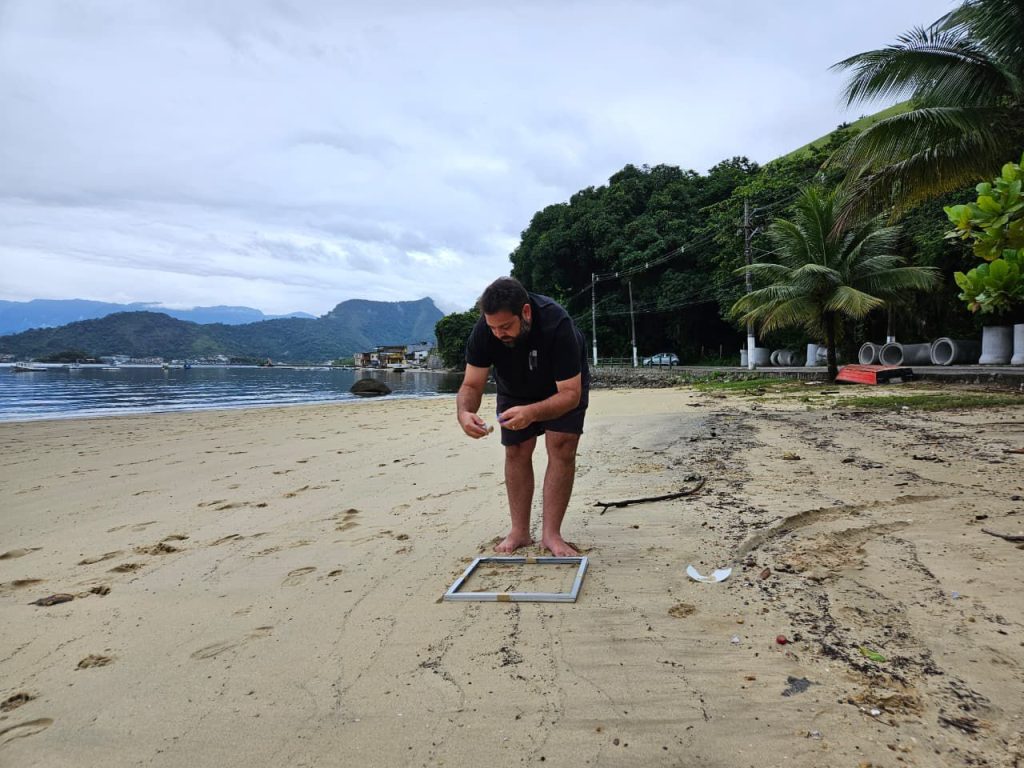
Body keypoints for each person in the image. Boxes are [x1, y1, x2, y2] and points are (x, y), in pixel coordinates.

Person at [456, 277, 590, 557]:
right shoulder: (485, 330)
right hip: (514, 386)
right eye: (493, 327)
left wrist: (532, 413)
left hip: (561, 385)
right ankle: (519, 532)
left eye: (505, 326)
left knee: (562, 445)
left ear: (525, 313)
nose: (498, 333)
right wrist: (465, 412)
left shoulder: (557, 323)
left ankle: (552, 535)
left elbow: (570, 395)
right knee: (516, 449)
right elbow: (471, 385)